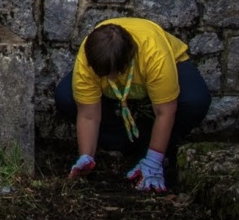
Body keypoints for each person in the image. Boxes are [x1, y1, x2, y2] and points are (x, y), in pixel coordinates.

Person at [54, 17, 212, 193]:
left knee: (195, 100)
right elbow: (88, 115)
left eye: (115, 72)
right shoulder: (87, 59)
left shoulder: (154, 54)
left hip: (168, 65)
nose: (111, 78)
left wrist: (153, 161)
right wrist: (86, 157)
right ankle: (124, 144)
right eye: (105, 74)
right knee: (66, 97)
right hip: (115, 92)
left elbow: (165, 111)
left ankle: (153, 151)